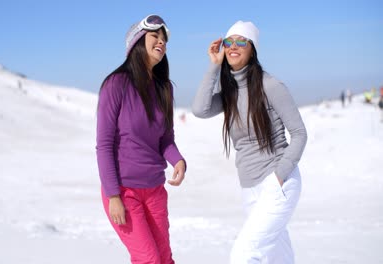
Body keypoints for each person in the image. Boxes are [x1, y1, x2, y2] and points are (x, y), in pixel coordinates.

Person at [192, 20, 307, 263]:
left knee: (244, 254)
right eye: (228, 42)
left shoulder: (270, 85)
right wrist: (214, 67)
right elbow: (200, 109)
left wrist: (279, 176)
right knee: (277, 255)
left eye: (240, 41)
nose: (233, 46)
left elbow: (299, 133)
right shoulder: (230, 92)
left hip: (278, 183)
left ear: (252, 48)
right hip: (249, 187)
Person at [96, 14, 186, 264]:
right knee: (149, 259)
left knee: (164, 258)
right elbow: (104, 145)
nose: (161, 42)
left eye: (164, 39)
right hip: (124, 192)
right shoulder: (116, 84)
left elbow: (165, 139)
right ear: (137, 42)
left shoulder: (163, 88)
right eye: (154, 37)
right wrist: (114, 195)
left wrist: (178, 161)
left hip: (155, 190)